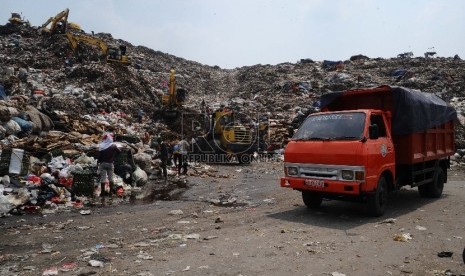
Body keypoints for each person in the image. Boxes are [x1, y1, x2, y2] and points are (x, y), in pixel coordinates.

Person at [97, 133, 121, 200]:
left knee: (103, 178)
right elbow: (119, 151)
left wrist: (98, 162)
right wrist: (114, 157)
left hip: (103, 163)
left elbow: (99, 156)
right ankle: (110, 192)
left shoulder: (101, 146)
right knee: (111, 178)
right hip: (110, 163)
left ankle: (103, 193)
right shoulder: (113, 146)